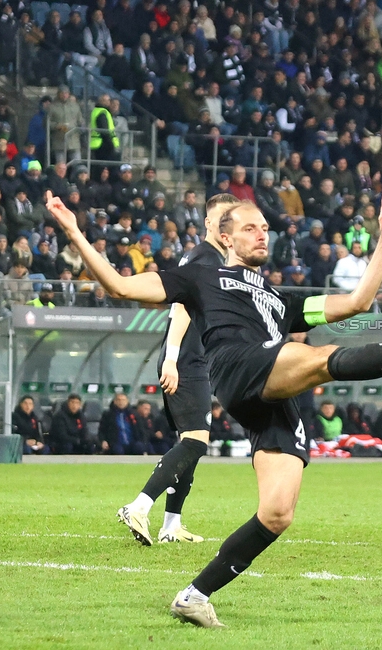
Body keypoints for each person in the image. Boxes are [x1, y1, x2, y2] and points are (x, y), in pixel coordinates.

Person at [46, 192, 382, 627]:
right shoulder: (200, 277)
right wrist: (74, 232)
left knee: (278, 513)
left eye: (265, 228)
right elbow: (120, 285)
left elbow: (356, 303)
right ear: (225, 238)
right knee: (320, 358)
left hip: (271, 393)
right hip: (240, 367)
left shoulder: (279, 298)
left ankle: (194, 595)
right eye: (250, 228)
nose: (261, 233)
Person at [117, 194, 235, 547]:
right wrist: (172, 358)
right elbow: (181, 307)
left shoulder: (209, 257)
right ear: (210, 224)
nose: (228, 226)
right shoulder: (205, 257)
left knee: (190, 442)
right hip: (186, 359)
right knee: (197, 442)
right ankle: (139, 506)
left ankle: (172, 524)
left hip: (192, 357)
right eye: (222, 219)